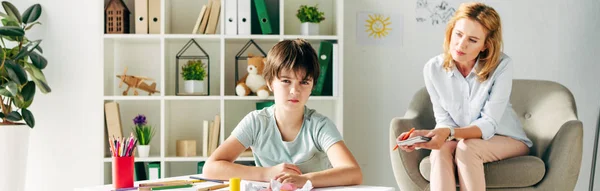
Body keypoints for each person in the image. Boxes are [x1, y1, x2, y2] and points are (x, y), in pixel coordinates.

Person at [397, 2, 533, 191]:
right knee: (440, 151)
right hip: (462, 139)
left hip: (506, 138)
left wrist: (450, 133)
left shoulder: (502, 66)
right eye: (458, 34)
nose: (461, 45)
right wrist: (429, 136)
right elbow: (444, 120)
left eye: (473, 40)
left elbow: (489, 123)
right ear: (451, 31)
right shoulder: (433, 69)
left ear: (486, 45)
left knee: (468, 149)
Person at [203, 39, 362, 188]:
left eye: (304, 82)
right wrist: (267, 173)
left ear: (312, 86)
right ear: (270, 83)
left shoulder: (320, 126)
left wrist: (305, 180)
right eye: (286, 81)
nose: (295, 91)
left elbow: (353, 172)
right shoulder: (256, 122)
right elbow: (210, 168)